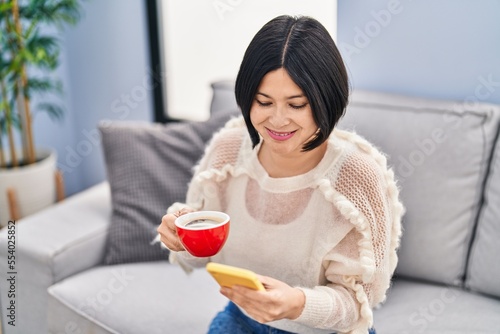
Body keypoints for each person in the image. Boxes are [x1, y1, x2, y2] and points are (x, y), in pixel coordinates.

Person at [157, 15, 404, 334]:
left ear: (326, 100)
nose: (277, 120)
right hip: (243, 319)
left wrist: (299, 304)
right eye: (263, 102)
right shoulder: (229, 151)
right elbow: (202, 256)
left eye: (296, 104)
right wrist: (179, 239)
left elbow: (358, 306)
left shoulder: (357, 177)